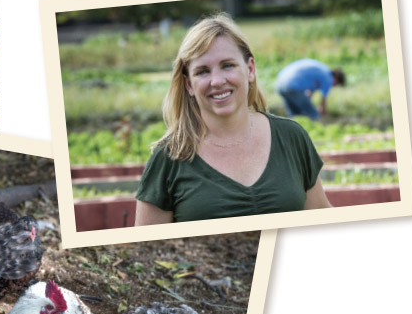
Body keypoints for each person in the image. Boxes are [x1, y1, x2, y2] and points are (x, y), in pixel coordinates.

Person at [134, 13, 332, 225]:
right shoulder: (169, 157)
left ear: (250, 70)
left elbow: (322, 219)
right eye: (202, 71)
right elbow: (145, 249)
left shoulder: (292, 138)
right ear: (188, 84)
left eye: (227, 65)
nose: (217, 81)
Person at [275, 58, 344, 121]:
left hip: (280, 84)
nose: (333, 86)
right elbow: (323, 102)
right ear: (336, 79)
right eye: (336, 84)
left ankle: (293, 131)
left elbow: (310, 93)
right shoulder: (328, 77)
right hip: (292, 86)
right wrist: (322, 111)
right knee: (313, 114)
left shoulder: (322, 70)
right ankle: (316, 129)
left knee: (295, 115)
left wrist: (307, 101)